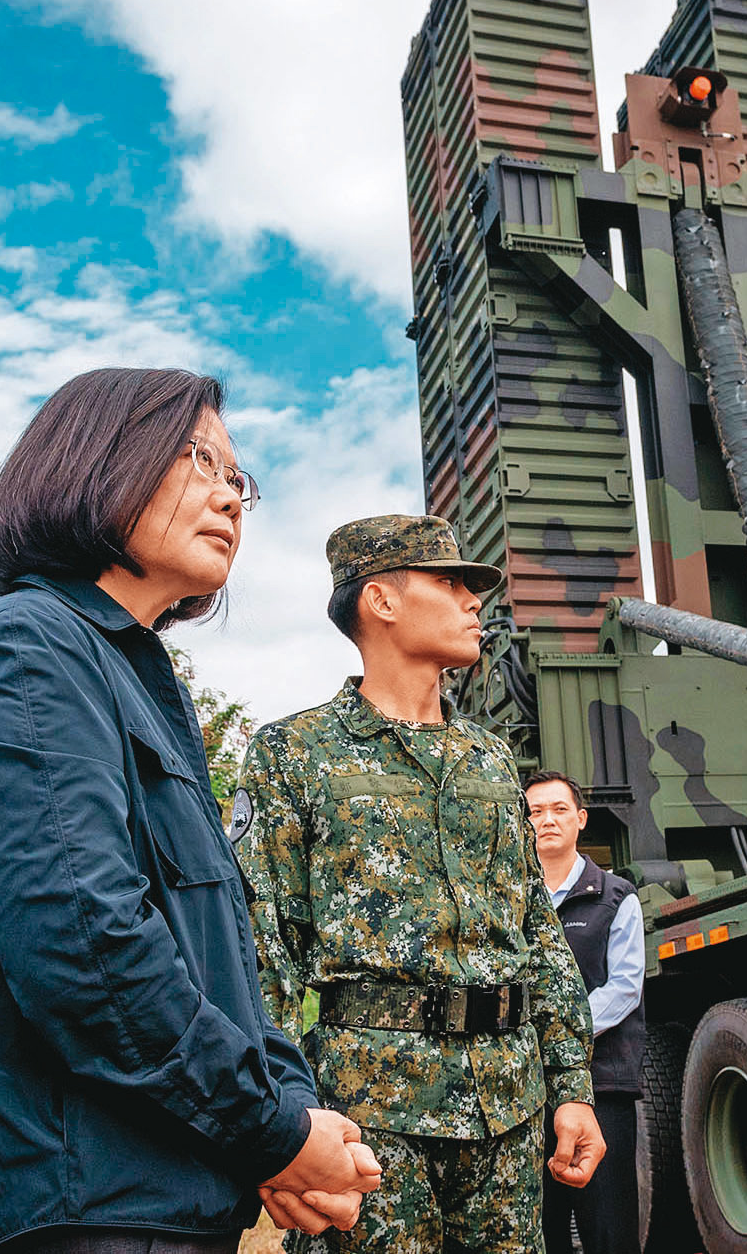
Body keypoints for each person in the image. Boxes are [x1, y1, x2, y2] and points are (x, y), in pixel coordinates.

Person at [0, 367, 378, 1254]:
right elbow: (85, 945)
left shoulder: (141, 680)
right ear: (100, 463)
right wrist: (270, 1132)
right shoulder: (23, 647)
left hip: (155, 1196)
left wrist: (290, 1111)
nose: (231, 495)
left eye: (241, 480)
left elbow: (216, 957)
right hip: (65, 1205)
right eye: (202, 459)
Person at [238, 513, 606, 1254]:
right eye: (450, 582)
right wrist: (278, 1117)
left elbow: (535, 931)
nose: (475, 601)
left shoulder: (492, 760)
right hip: (369, 1119)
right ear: (381, 601)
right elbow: (261, 949)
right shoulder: (293, 754)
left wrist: (571, 1085)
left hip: (507, 1108)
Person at [524, 772, 643, 1254]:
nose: (546, 820)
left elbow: (625, 987)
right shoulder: (506, 901)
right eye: (534, 812)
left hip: (602, 1086)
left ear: (580, 818)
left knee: (607, 1226)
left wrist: (556, 1033)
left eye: (557, 809)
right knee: (539, 1226)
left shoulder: (616, 897)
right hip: (527, 1091)